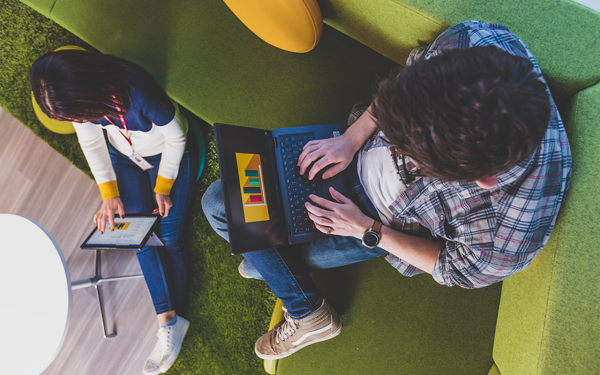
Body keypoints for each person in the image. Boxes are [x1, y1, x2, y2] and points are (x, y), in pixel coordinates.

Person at [202, 20, 571, 360]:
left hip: (376, 220)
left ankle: (307, 312)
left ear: (483, 179)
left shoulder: (507, 234)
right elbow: (406, 80)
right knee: (222, 206)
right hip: (347, 151)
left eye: (408, 157)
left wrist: (367, 230)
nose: (391, 146)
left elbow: (450, 267)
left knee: (244, 235)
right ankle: (282, 277)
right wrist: (352, 138)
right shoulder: (477, 44)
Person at [30, 49, 198, 375]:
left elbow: (177, 137)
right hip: (125, 158)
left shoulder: (138, 92)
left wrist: (162, 185)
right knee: (137, 235)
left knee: (169, 236)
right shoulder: (85, 107)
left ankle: (174, 318)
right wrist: (108, 194)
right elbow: (92, 144)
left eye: (79, 115)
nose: (79, 122)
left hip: (168, 153)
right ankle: (169, 320)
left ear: (88, 93)